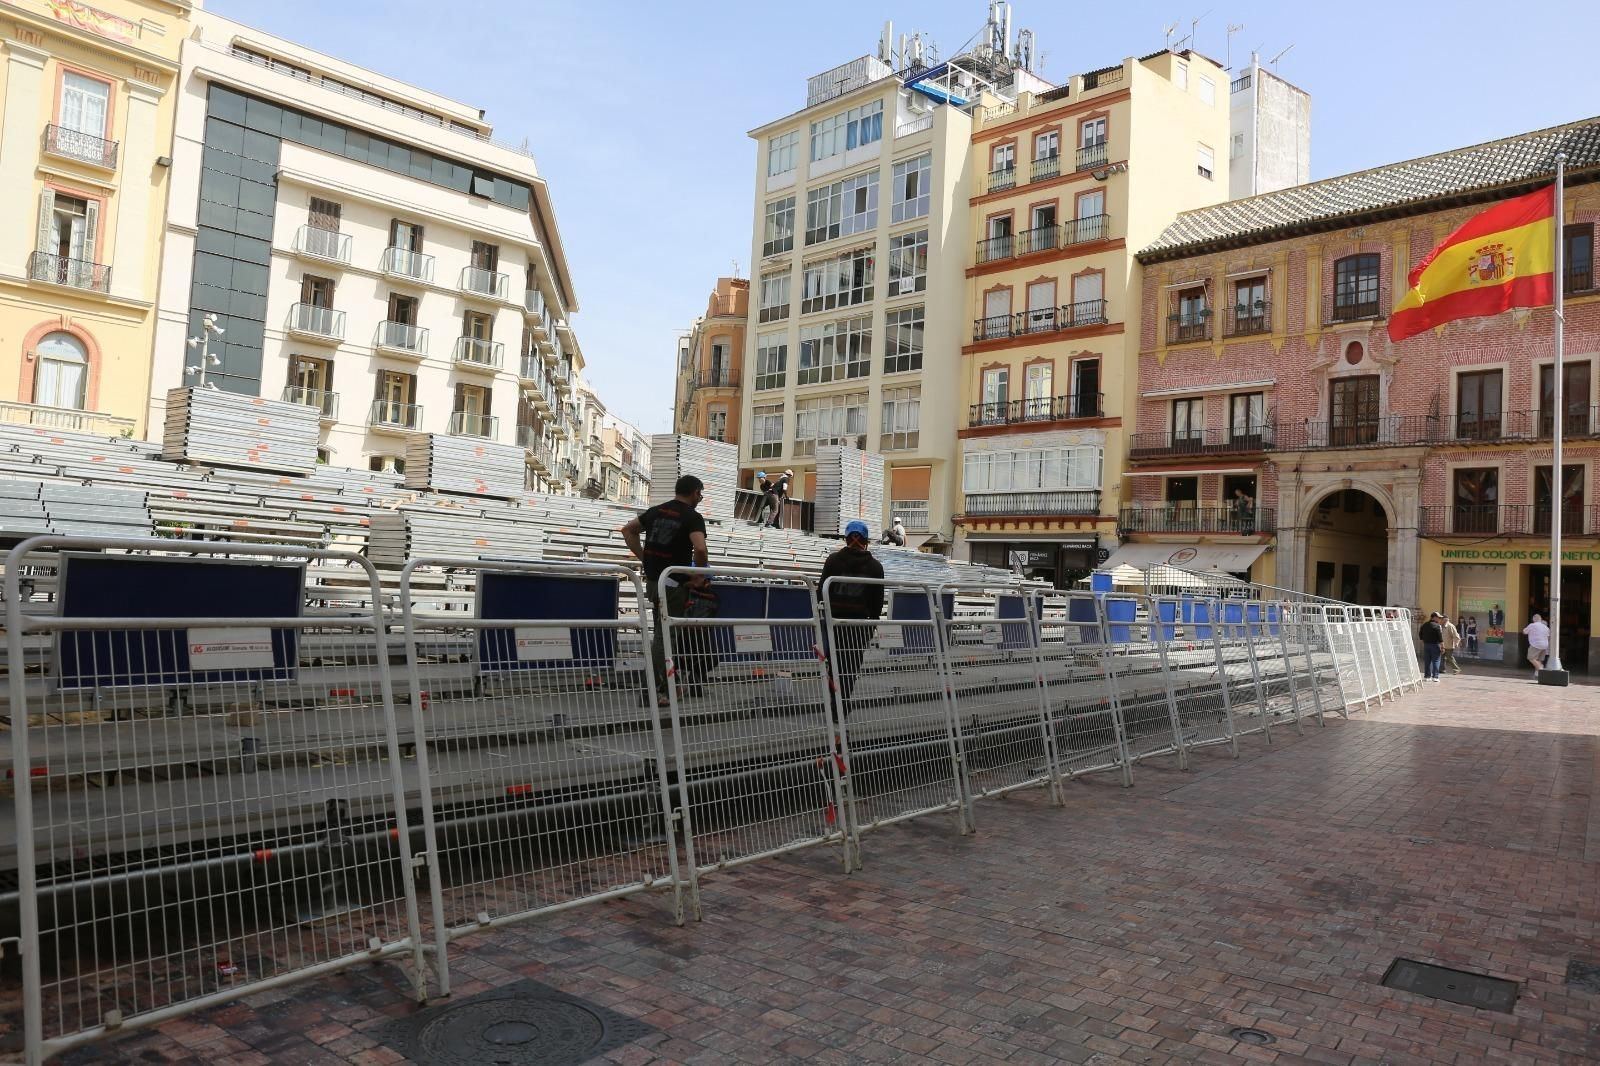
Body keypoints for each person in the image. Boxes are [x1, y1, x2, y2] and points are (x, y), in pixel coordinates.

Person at [621, 475, 709, 706]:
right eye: (700, 494)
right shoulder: (692, 517)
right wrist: (699, 575)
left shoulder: (656, 511)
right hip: (673, 584)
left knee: (666, 633)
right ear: (695, 493)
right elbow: (700, 548)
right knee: (664, 635)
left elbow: (628, 530)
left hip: (654, 581)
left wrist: (645, 560)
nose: (700, 498)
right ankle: (656, 689)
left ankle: (666, 684)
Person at [818, 520, 885, 719]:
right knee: (850, 668)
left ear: (847, 538)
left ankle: (835, 703)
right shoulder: (875, 567)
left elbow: (823, 592)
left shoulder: (833, 561)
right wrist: (870, 628)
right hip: (858, 627)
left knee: (834, 667)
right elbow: (877, 603)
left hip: (834, 624)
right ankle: (843, 702)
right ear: (866, 541)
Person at [1418, 612, 1444, 682]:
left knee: (1427, 661)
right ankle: (1435, 677)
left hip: (1426, 645)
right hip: (1435, 645)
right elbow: (1440, 638)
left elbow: (1420, 634)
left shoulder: (1424, 625)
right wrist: (1442, 647)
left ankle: (1427, 676)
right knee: (1436, 661)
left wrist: (1423, 641)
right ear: (1434, 617)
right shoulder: (1437, 626)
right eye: (1438, 618)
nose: (1439, 619)